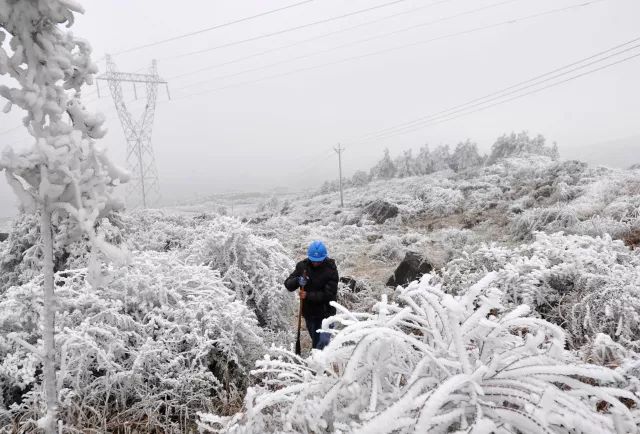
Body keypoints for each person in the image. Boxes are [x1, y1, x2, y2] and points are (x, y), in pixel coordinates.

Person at [284, 240, 338, 350]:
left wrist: (308, 295)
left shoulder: (331, 270)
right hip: (309, 313)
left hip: (326, 314)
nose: (316, 263)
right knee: (316, 341)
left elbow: (329, 294)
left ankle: (321, 364)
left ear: (324, 257)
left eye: (319, 261)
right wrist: (297, 280)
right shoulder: (302, 267)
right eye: (313, 260)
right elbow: (288, 285)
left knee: (321, 346)